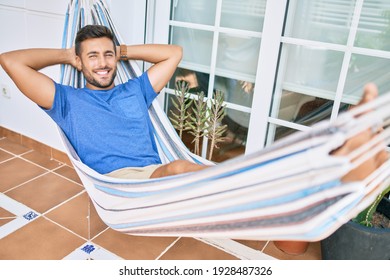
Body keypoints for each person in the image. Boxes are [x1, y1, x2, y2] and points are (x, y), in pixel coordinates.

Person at [0, 24, 387, 183]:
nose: (103, 63)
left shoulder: (134, 89)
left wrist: (122, 49)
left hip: (156, 172)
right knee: (189, 168)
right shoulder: (66, 100)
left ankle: (313, 171)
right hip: (121, 184)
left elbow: (173, 53)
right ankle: (320, 170)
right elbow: (10, 60)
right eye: (93, 57)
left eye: (108, 55)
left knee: (199, 170)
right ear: (80, 62)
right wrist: (69, 54)